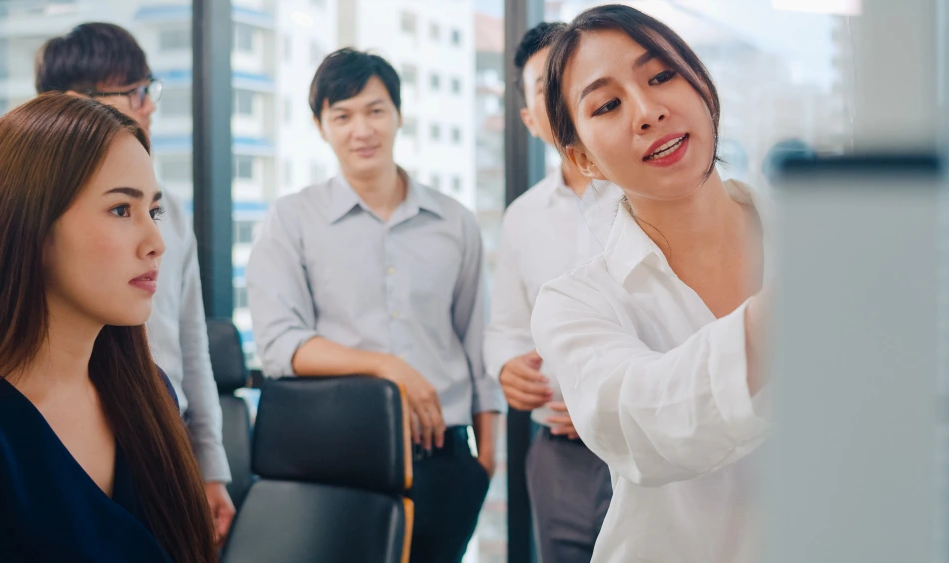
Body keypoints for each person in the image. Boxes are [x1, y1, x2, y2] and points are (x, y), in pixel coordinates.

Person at [531, 5, 771, 563]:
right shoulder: (575, 304)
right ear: (582, 158)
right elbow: (644, 425)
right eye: (607, 105)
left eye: (661, 75)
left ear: (701, 83)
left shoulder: (812, 242)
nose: (647, 111)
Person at [246, 48, 503, 562]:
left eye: (375, 110)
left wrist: (487, 461)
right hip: (339, 458)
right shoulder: (291, 219)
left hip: (445, 462)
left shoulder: (454, 221)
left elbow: (480, 345)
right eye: (342, 115)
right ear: (321, 126)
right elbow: (278, 345)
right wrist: (388, 368)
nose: (360, 129)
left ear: (399, 115)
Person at [35, 22, 236, 545]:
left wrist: (209, 465)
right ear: (71, 106)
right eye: (134, 92)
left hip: (159, 428)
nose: (154, 240)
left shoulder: (172, 215)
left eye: (152, 210)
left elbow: (193, 345)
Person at [0, 93, 217, 563]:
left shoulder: (150, 393)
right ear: (30, 226)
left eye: (154, 212)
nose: (156, 242)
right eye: (122, 210)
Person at [483, 21, 613, 563]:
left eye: (570, 75)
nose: (558, 91)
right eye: (543, 84)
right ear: (529, 119)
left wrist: (613, 407)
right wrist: (507, 367)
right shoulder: (522, 217)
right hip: (560, 454)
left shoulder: (652, 197)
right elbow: (507, 326)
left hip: (654, 445)